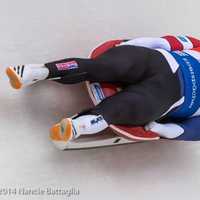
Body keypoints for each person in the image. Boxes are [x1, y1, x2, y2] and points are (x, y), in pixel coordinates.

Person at [6, 35, 200, 149]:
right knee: (107, 66)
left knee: (130, 103)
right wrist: (131, 45)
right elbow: (165, 43)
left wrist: (161, 129)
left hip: (169, 95)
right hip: (158, 62)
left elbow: (192, 130)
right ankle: (42, 72)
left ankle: (79, 125)